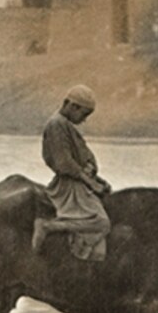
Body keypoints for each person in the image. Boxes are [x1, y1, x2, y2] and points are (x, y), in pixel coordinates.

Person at [36, 84, 110, 263]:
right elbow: (64, 163)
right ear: (71, 106)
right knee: (102, 223)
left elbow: (77, 161)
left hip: (79, 182)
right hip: (70, 187)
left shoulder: (64, 125)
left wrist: (98, 180)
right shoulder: (56, 124)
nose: (83, 120)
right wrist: (91, 183)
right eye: (83, 115)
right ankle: (48, 227)